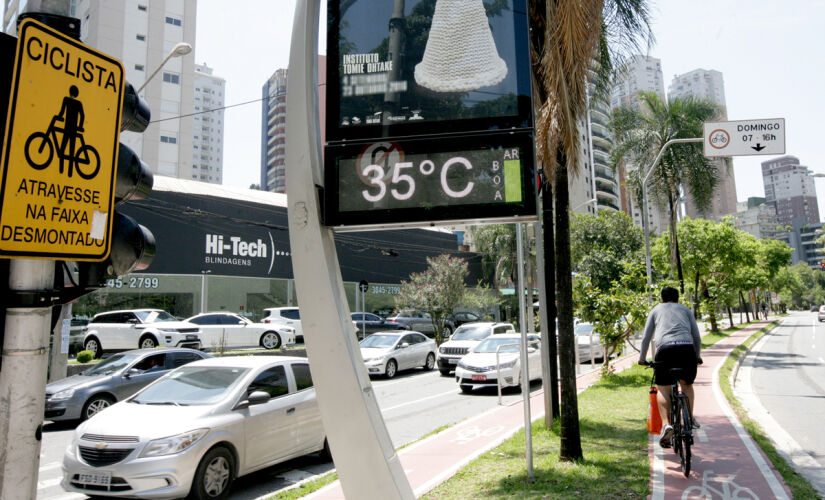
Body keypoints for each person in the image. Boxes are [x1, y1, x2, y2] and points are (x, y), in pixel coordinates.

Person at [638, 286, 702, 448]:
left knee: (663, 389)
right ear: (678, 299)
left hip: (665, 350)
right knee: (686, 384)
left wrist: (642, 358)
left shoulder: (656, 309)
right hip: (686, 349)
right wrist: (697, 356)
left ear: (662, 299)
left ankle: (667, 424)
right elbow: (696, 337)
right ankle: (690, 419)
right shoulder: (685, 310)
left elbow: (646, 338)